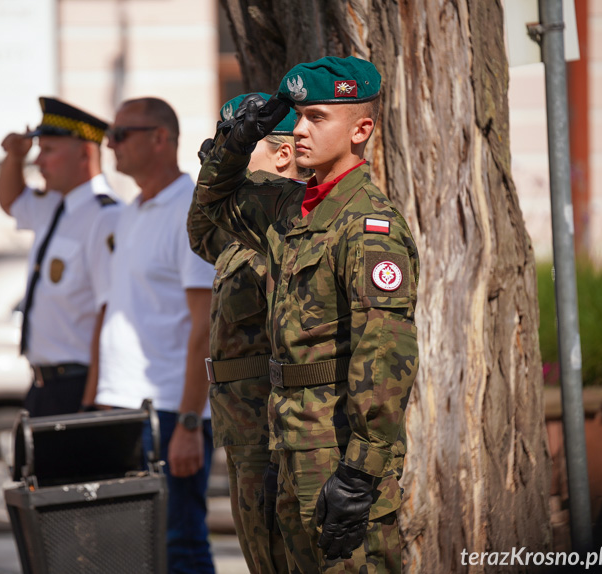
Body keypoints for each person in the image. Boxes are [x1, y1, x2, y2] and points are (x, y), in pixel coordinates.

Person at [195, 57, 420, 573]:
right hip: (289, 441)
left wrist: (361, 472)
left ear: (361, 129)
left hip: (338, 450)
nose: (298, 130)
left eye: (316, 117)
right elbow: (213, 205)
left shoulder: (367, 224)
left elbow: (385, 353)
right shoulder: (289, 209)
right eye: (296, 117)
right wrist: (236, 141)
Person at [90, 97, 217, 574]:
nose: (110, 144)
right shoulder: (132, 211)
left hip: (167, 414)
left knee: (180, 545)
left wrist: (189, 423)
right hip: (123, 406)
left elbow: (204, 328)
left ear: (160, 139)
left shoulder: (189, 211)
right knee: (127, 550)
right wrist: (102, 398)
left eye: (121, 134)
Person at [187, 93, 308, 574]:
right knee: (259, 558)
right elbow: (202, 230)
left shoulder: (290, 223)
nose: (229, 159)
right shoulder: (244, 234)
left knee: (280, 557)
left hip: (270, 429)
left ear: (282, 155)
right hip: (241, 428)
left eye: (244, 146)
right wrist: (222, 159)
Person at [0, 97, 120, 416]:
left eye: (48, 150)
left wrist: (93, 402)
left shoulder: (104, 216)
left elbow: (108, 315)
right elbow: (11, 201)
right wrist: (14, 157)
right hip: (43, 385)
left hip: (78, 386)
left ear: (84, 153)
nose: (38, 162)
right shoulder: (55, 204)